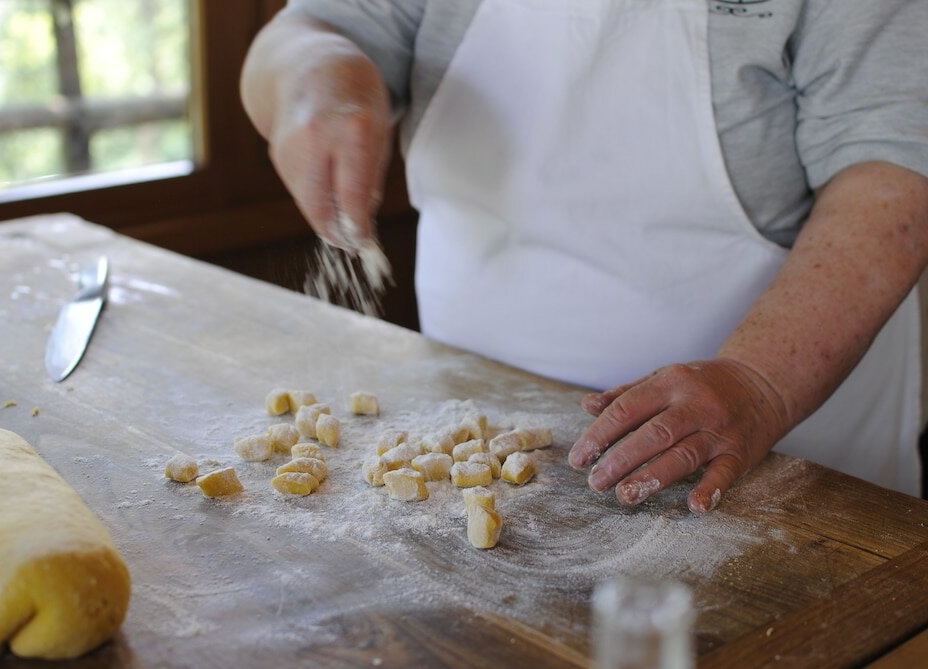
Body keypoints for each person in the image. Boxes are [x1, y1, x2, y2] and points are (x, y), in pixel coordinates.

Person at [241, 0, 928, 510]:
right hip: (473, 450)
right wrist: (316, 77)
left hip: (781, 461)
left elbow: (893, 171)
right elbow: (309, 29)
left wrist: (760, 382)